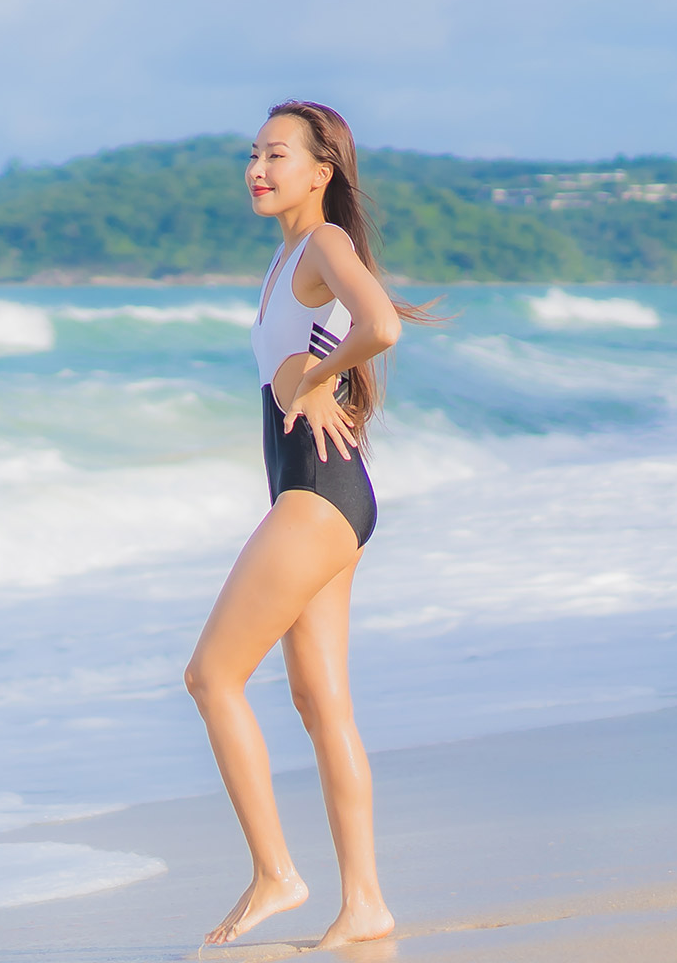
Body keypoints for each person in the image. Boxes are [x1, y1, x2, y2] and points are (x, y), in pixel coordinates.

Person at [185, 100, 435, 948]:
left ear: (321, 170)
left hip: (318, 493)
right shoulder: (285, 258)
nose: (257, 167)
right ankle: (364, 902)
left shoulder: (324, 244)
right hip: (323, 490)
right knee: (319, 701)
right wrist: (319, 373)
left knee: (212, 677)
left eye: (277, 154)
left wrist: (325, 377)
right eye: (252, 153)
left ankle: (276, 875)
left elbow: (383, 326)